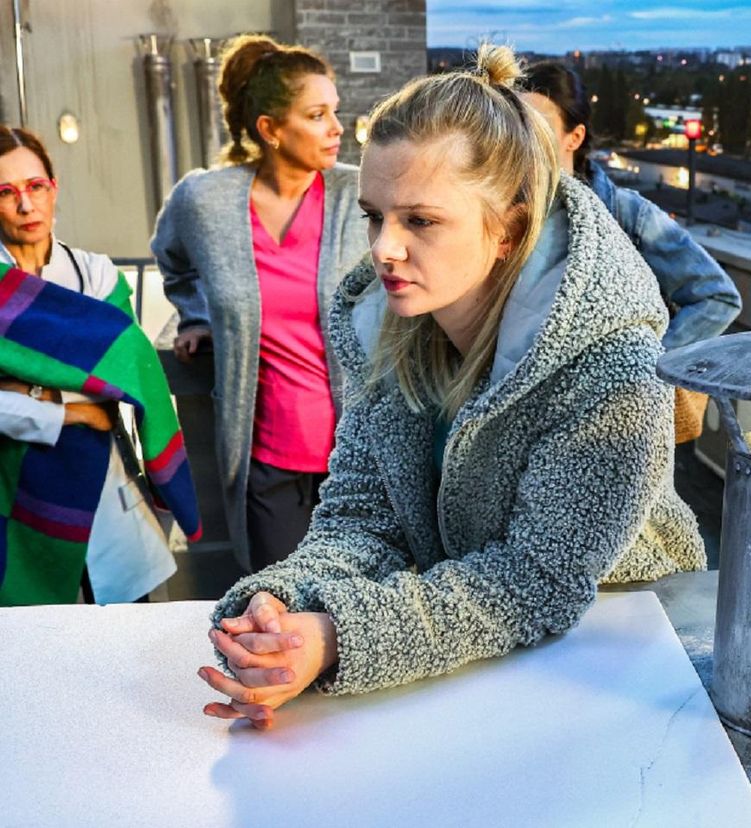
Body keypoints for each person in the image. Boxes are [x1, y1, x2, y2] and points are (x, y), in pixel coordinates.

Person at [196, 45, 706, 729]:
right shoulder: (396, 333)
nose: (382, 247)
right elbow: (359, 519)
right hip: (476, 665)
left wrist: (341, 636)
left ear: (510, 229)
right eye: (375, 215)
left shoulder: (612, 365)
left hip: (631, 667)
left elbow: (535, 580)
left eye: (421, 220)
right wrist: (285, 608)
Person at [151, 35, 368, 573]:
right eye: (317, 115)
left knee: (354, 605)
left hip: (357, 458)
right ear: (270, 129)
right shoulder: (206, 200)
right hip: (265, 460)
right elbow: (172, 260)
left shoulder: (358, 196)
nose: (336, 128)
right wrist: (199, 316)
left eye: (335, 112)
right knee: (278, 605)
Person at [0, 125, 200, 605]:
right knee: (42, 656)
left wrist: (29, 389)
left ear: (54, 187)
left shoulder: (95, 271)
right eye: (6, 193)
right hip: (17, 500)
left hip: (108, 497)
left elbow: (122, 374)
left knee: (131, 650)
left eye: (36, 187)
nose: (26, 206)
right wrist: (68, 410)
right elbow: (96, 382)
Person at [519, 61, 742, 351]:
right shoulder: (505, 210)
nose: (523, 136)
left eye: (539, 126)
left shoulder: (627, 215)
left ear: (575, 137)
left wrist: (647, 366)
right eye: (519, 122)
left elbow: (717, 297)